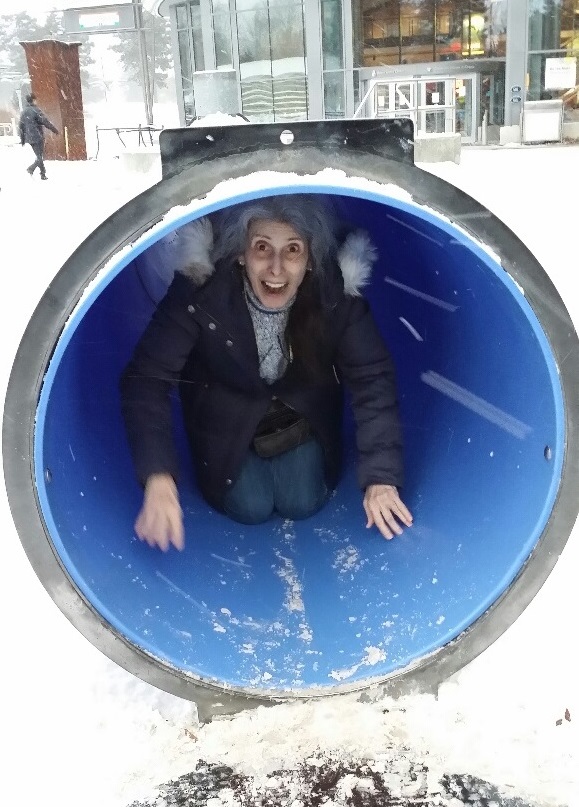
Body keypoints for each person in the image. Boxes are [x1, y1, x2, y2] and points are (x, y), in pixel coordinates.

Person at [120, 194, 413, 552]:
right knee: (250, 507)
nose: (276, 268)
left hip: (300, 417)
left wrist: (381, 477)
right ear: (240, 253)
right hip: (225, 418)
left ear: (309, 260)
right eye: (262, 247)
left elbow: (372, 376)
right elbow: (147, 378)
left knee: (302, 501)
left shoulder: (334, 295)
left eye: (292, 249)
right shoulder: (202, 292)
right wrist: (158, 478)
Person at [19, 93, 59, 180]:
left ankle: (42, 174)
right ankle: (32, 169)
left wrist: (22, 139)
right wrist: (54, 130)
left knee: (39, 156)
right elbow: (45, 121)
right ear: (33, 100)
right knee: (39, 156)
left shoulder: (24, 112)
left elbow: (21, 126)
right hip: (37, 136)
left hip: (29, 138)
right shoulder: (35, 110)